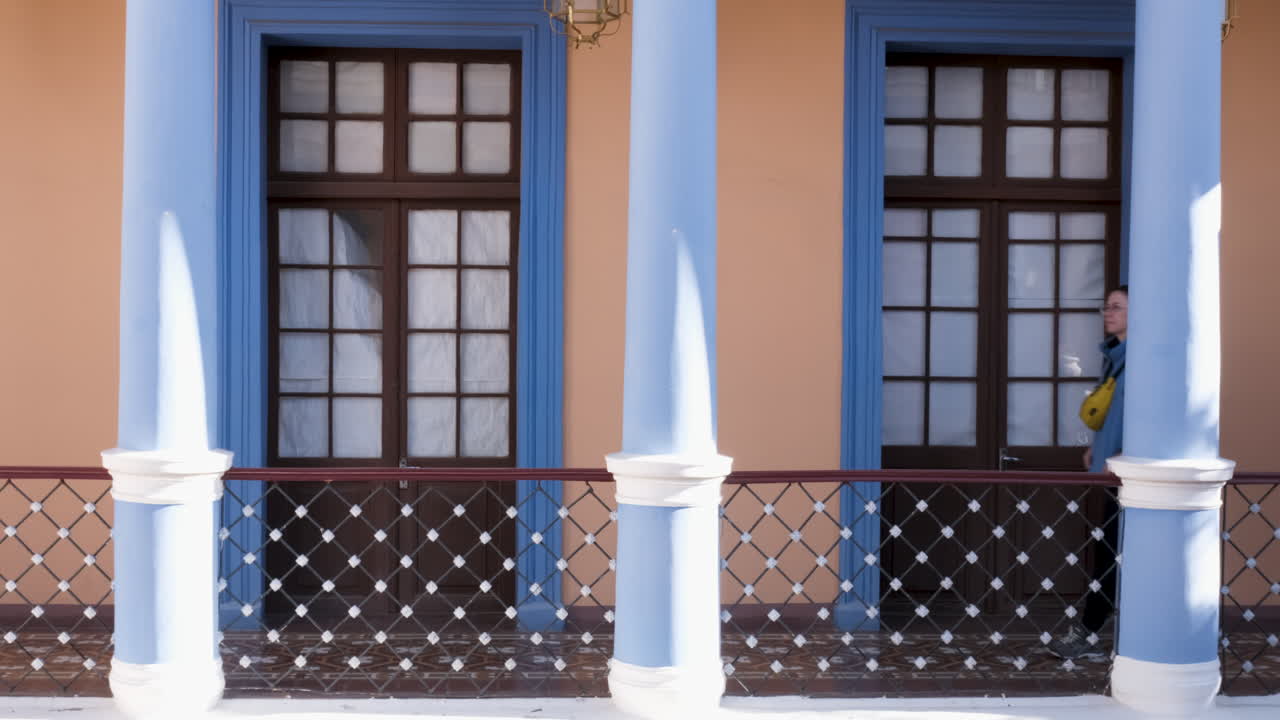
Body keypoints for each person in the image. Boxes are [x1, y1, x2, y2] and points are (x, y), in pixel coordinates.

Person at [1049, 286, 1126, 660]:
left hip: (1134, 476)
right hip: (1114, 474)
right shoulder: (1116, 358)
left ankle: (1089, 632)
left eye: (1117, 307)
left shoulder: (1143, 360)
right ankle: (1095, 631)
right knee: (1109, 551)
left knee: (1112, 554)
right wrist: (1098, 447)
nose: (1107, 313)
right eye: (1106, 306)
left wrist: (1126, 454)